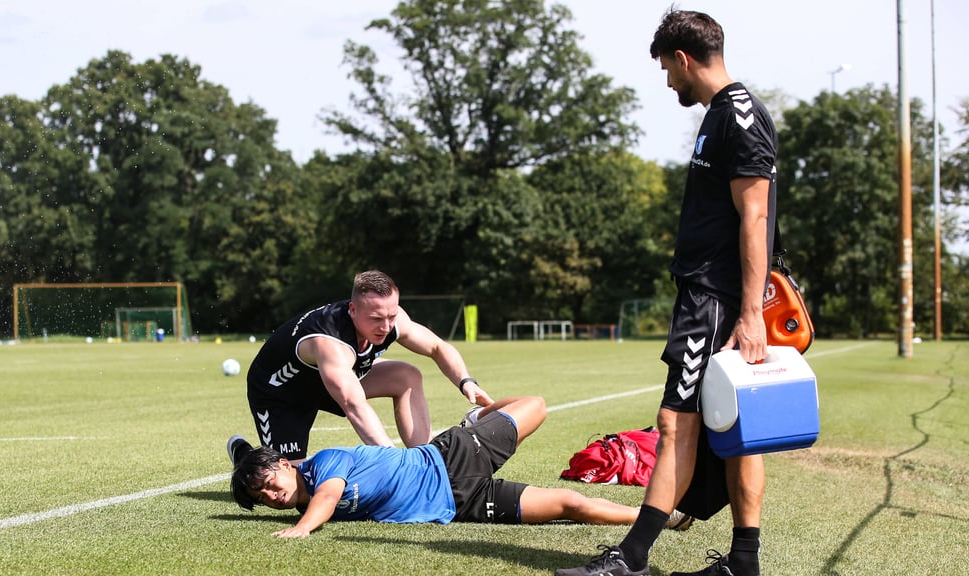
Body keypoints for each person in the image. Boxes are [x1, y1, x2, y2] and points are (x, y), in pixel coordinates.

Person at [556, 9, 777, 576]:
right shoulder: (720, 114)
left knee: (677, 422)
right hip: (712, 294)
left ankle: (632, 559)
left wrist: (750, 313)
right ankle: (743, 565)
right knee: (735, 432)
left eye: (666, 70)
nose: (668, 82)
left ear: (683, 58)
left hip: (717, 298)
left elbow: (756, 217)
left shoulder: (740, 117)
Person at [228, 396, 692, 537]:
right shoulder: (294, 494)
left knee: (535, 406)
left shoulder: (324, 464)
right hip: (462, 503)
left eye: (268, 483)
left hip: (451, 456)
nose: (271, 496)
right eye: (261, 498)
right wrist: (246, 468)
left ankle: (479, 414)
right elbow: (304, 497)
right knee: (571, 504)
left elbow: (327, 496)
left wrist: (299, 530)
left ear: (287, 464)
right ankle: (665, 517)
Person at [229, 270, 493, 464]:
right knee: (292, 487)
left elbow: (437, 347)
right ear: (353, 309)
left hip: (335, 378)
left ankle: (424, 460)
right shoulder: (329, 342)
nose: (386, 326)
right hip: (283, 393)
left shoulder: (391, 319)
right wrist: (395, 465)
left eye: (391, 316)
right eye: (376, 318)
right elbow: (353, 404)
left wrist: (466, 381)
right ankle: (245, 457)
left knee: (406, 375)